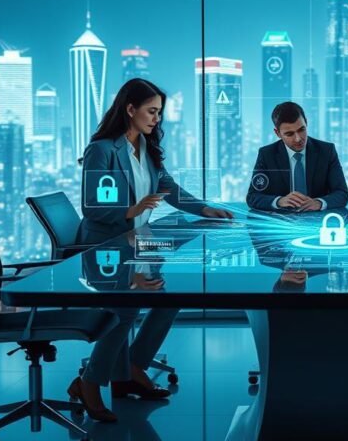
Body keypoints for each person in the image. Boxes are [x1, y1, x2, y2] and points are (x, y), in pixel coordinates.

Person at [68, 78, 233, 423]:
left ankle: (130, 368)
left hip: (136, 243)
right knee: (125, 312)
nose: (157, 118)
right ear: (130, 109)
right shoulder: (103, 149)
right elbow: (94, 207)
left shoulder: (145, 146)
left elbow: (168, 188)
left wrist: (205, 209)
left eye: (159, 112)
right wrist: (132, 208)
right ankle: (89, 383)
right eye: (151, 111)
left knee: (169, 300)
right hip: (105, 245)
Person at [246, 101, 348, 211]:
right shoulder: (267, 154)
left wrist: (319, 203)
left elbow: (342, 193)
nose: (298, 139)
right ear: (278, 133)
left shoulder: (327, 151)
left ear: (306, 123)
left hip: (317, 221)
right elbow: (253, 196)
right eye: (289, 134)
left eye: (301, 130)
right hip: (282, 223)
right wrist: (279, 201)